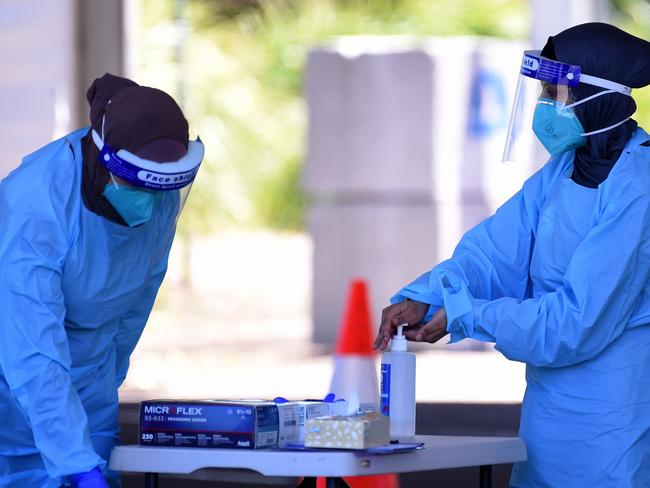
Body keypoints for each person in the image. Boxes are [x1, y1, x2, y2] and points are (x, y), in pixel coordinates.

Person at [374, 23, 650, 486]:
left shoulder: (638, 186)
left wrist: (467, 314)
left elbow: (575, 324)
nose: (544, 106)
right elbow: (494, 254)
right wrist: (426, 296)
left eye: (554, 92)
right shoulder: (564, 168)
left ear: (598, 95)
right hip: (547, 408)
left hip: (611, 418)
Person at [0, 73, 204, 487]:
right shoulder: (35, 206)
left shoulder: (156, 196)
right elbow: (31, 351)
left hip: (92, 379)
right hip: (14, 385)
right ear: (105, 161)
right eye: (136, 184)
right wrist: (75, 462)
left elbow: (137, 303)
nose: (148, 201)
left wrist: (102, 385)